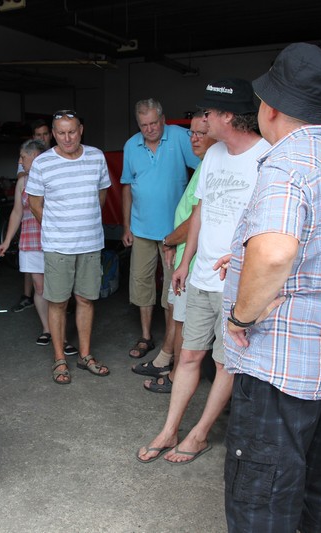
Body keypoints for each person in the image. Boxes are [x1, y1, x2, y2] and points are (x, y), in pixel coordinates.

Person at [221, 43, 321, 532]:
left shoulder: (287, 166)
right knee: (314, 493)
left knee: (262, 504)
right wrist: (242, 258)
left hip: (279, 371)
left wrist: (241, 315)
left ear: (270, 108)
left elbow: (275, 253)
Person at [137, 79, 269, 463]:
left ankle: (199, 435)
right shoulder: (213, 155)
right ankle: (169, 429)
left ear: (228, 115)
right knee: (189, 356)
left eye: (207, 112)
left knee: (225, 363)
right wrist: (185, 262)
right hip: (201, 278)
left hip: (237, 284)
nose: (201, 119)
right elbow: (200, 211)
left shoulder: (267, 157)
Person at [26, 110, 111, 384]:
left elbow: (101, 195)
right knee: (58, 302)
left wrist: (83, 221)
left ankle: (84, 355)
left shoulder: (96, 157)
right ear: (53, 134)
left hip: (90, 243)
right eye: (61, 133)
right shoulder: (43, 163)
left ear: (81, 130)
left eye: (72, 131)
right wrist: (56, 227)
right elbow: (34, 203)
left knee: (86, 299)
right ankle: (60, 358)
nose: (67, 138)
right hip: (58, 246)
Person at [133, 114, 216, 392]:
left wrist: (169, 241)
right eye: (191, 133)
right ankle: (165, 361)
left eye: (201, 133)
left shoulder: (211, 168)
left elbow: (196, 220)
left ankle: (175, 378)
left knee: (182, 322)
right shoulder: (204, 165)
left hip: (192, 261)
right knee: (175, 312)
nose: (194, 138)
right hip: (185, 257)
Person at [121, 98, 200, 363]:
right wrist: (126, 226)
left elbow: (204, 167)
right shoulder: (131, 146)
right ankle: (146, 336)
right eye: (144, 125)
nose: (150, 129)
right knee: (142, 283)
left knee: (172, 288)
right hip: (141, 228)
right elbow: (127, 187)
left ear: (163, 119)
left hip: (174, 232)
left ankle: (171, 342)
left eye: (154, 123)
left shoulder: (179, 137)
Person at [12, 119, 53, 312]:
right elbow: (23, 182)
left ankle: (57, 314)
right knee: (37, 279)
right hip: (32, 231)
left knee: (55, 282)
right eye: (38, 135)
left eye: (45, 134)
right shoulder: (26, 162)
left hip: (52, 235)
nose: (42, 138)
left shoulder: (56, 156)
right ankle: (27, 296)